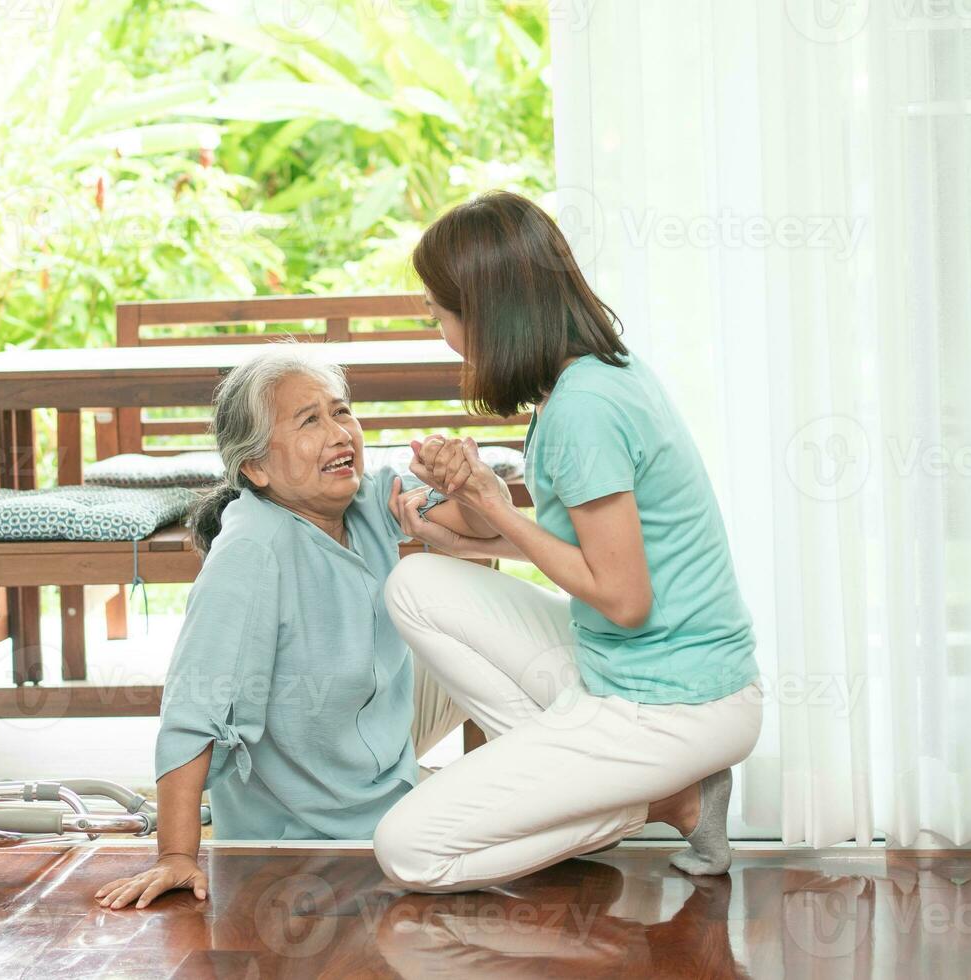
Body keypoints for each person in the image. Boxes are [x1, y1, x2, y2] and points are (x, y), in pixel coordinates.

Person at [372, 190, 764, 892]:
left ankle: (667, 799)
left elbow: (624, 598)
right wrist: (459, 526)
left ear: (485, 313)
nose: (435, 320)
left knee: (407, 852)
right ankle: (588, 786)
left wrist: (497, 505)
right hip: (629, 671)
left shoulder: (584, 409)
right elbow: (598, 556)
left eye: (438, 307)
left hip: (671, 704)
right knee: (417, 585)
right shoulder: (590, 377)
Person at [94, 344, 492, 911]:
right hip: (308, 825)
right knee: (517, 831)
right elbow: (192, 709)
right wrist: (177, 856)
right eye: (310, 420)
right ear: (255, 467)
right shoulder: (251, 551)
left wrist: (463, 484)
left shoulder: (370, 496)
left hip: (368, 721)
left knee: (482, 624)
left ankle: (548, 761)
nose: (338, 433)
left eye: (341, 410)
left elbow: (478, 526)